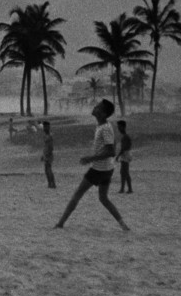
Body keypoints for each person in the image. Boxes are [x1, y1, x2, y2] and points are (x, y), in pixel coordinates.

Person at [54, 99, 129, 231]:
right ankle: (123, 225)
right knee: (103, 198)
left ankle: (60, 223)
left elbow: (111, 151)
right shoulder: (104, 126)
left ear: (103, 114)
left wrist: (91, 158)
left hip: (99, 169)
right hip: (107, 169)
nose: (94, 107)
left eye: (98, 107)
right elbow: (111, 146)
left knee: (78, 194)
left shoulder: (105, 128)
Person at [116, 119, 133, 193]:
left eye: (119, 127)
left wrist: (118, 155)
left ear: (123, 127)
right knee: (124, 172)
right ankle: (126, 188)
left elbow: (124, 148)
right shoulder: (125, 136)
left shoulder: (125, 137)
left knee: (124, 172)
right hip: (126, 154)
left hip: (125, 155)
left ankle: (126, 189)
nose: (118, 129)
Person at [41, 120, 56, 189]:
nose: (44, 128)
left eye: (45, 127)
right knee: (47, 169)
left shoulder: (49, 136)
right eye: (44, 127)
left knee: (48, 169)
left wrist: (47, 154)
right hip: (46, 154)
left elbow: (51, 147)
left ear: (48, 127)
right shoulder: (46, 135)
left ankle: (52, 183)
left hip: (48, 154)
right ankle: (50, 183)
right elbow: (45, 146)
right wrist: (43, 154)